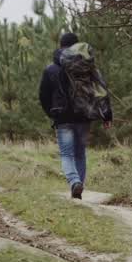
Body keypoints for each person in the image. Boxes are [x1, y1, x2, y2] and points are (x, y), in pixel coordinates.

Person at [38, 30, 113, 199]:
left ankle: (74, 182)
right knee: (80, 153)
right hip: (84, 116)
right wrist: (107, 115)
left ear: (61, 46)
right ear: (78, 45)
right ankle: (79, 187)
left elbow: (43, 96)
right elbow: (102, 90)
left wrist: (52, 114)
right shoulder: (88, 67)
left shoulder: (51, 69)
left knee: (66, 154)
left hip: (62, 117)